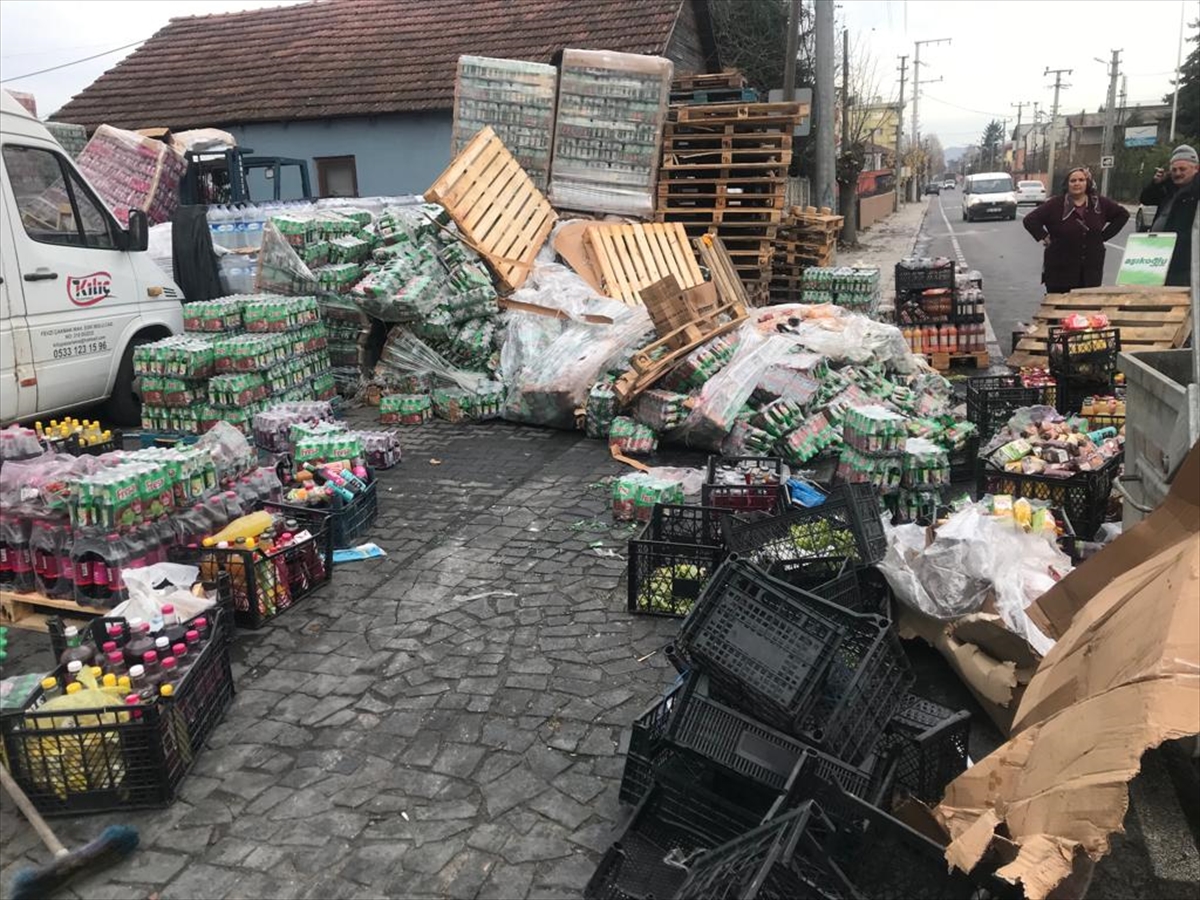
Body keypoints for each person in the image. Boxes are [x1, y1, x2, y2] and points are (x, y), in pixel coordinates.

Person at [1022, 167, 1130, 293]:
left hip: (1090, 271)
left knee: (1086, 308)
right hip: (1060, 271)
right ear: (1067, 184)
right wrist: (1044, 236)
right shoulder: (1055, 204)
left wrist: (1103, 237)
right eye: (1073, 181)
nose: (1077, 183)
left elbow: (1122, 215)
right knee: (1060, 309)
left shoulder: (1099, 203)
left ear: (1087, 183)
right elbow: (1030, 220)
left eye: (1081, 180)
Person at [1139, 144, 1199, 286]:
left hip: (1184, 262)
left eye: (1182, 169)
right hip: (1160, 258)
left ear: (1196, 169)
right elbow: (1146, 199)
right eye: (1174, 170)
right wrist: (1156, 183)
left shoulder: (1195, 190)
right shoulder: (1169, 187)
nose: (1177, 173)